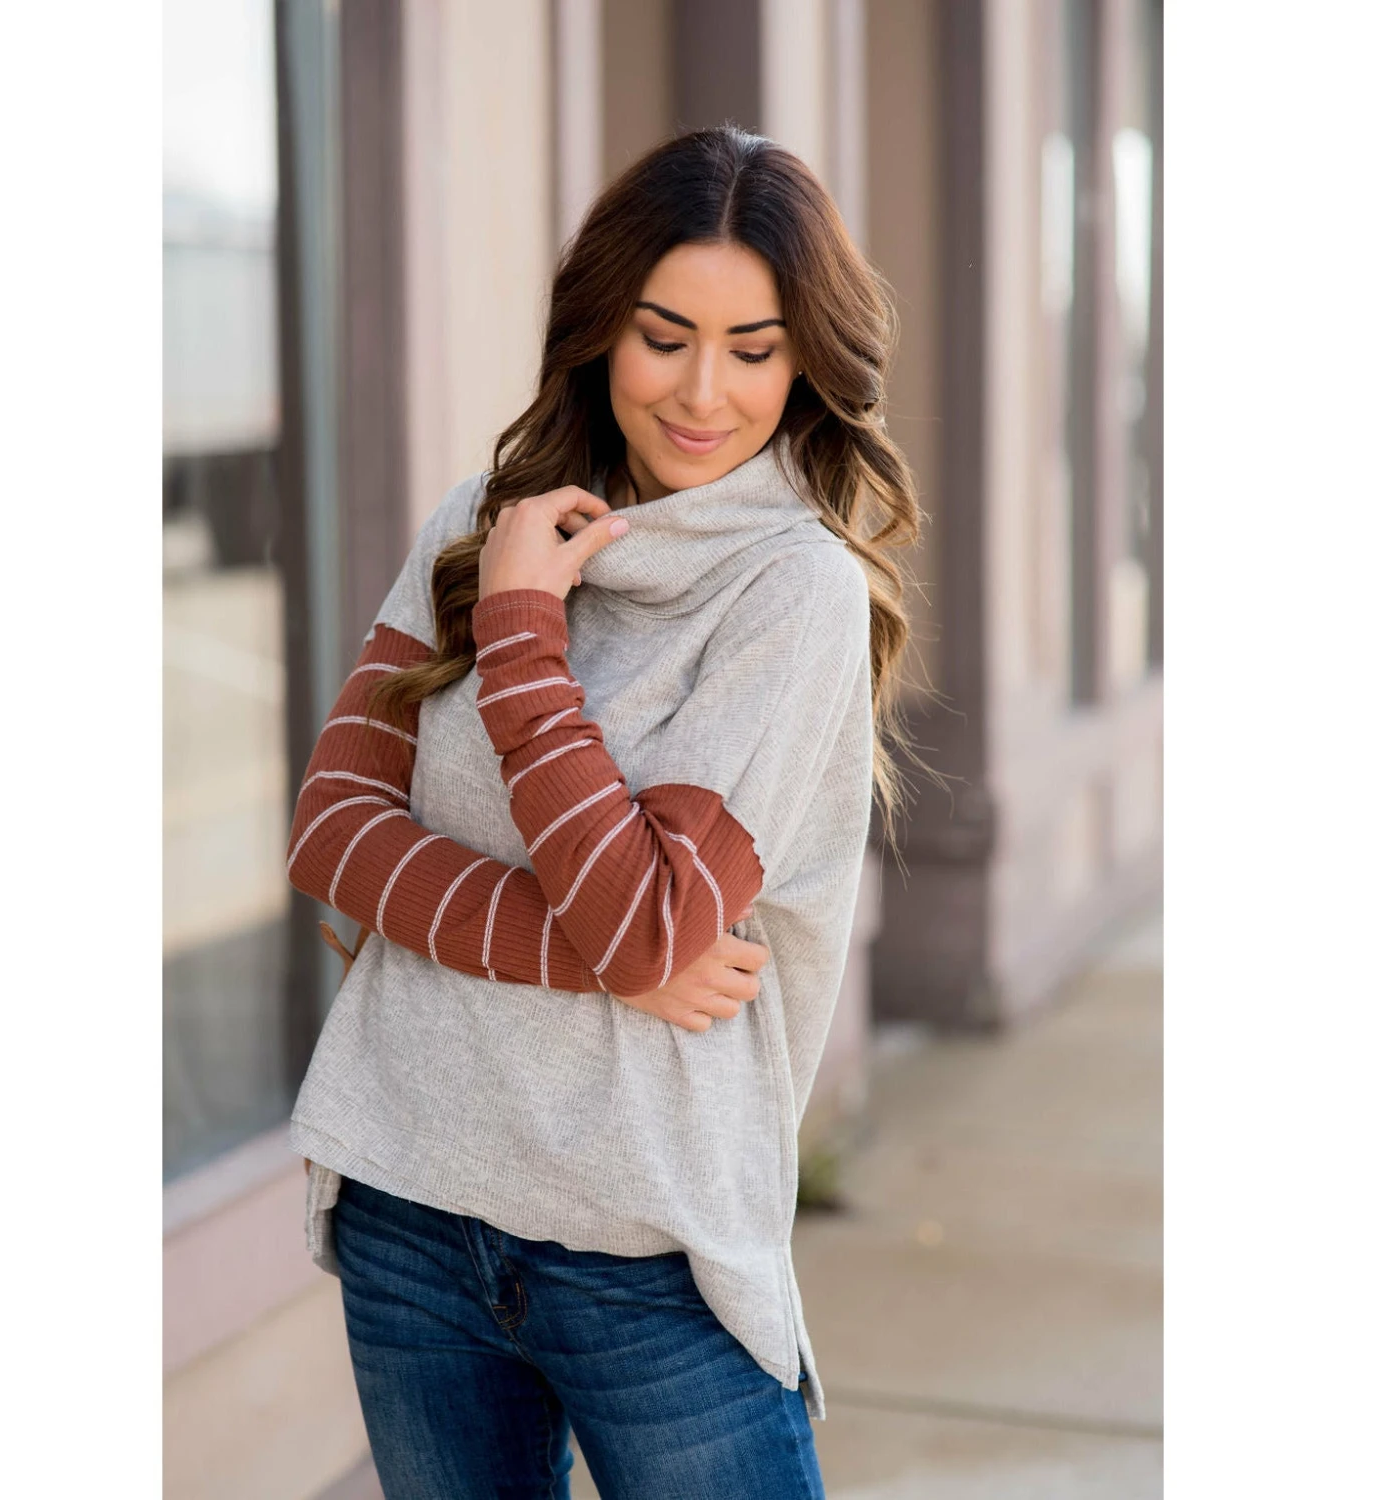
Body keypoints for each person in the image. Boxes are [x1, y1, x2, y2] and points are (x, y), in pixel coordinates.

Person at [284, 124, 920, 1499]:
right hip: (412, 1199)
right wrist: (599, 958)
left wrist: (523, 634)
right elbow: (333, 827)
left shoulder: (792, 590)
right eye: (663, 336)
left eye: (753, 349)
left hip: (650, 1251)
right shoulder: (487, 519)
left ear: (805, 359)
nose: (703, 391)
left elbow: (644, 921)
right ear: (602, 329)